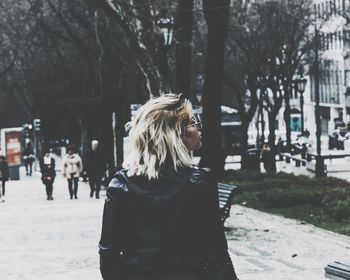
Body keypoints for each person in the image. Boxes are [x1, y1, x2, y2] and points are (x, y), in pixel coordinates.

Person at [98, 94, 239, 280]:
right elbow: (216, 253)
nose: (198, 128)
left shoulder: (121, 184)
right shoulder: (197, 182)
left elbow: (108, 254)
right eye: (193, 122)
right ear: (173, 133)